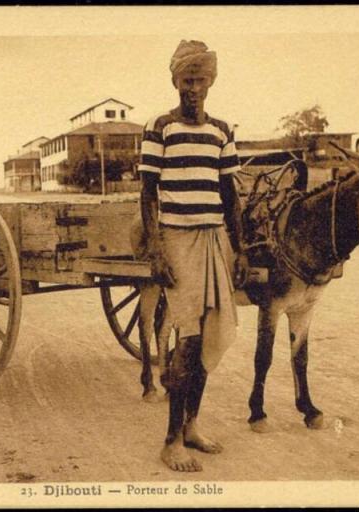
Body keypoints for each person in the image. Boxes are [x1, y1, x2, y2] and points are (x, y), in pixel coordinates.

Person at [138, 40, 249, 472]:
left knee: (210, 335)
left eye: (200, 81)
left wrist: (238, 249)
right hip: (177, 240)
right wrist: (155, 249)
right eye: (186, 80)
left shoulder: (221, 131)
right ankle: (170, 441)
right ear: (175, 81)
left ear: (211, 82)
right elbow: (148, 193)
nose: (193, 89)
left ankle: (191, 426)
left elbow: (230, 195)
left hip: (215, 240)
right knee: (187, 340)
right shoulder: (160, 127)